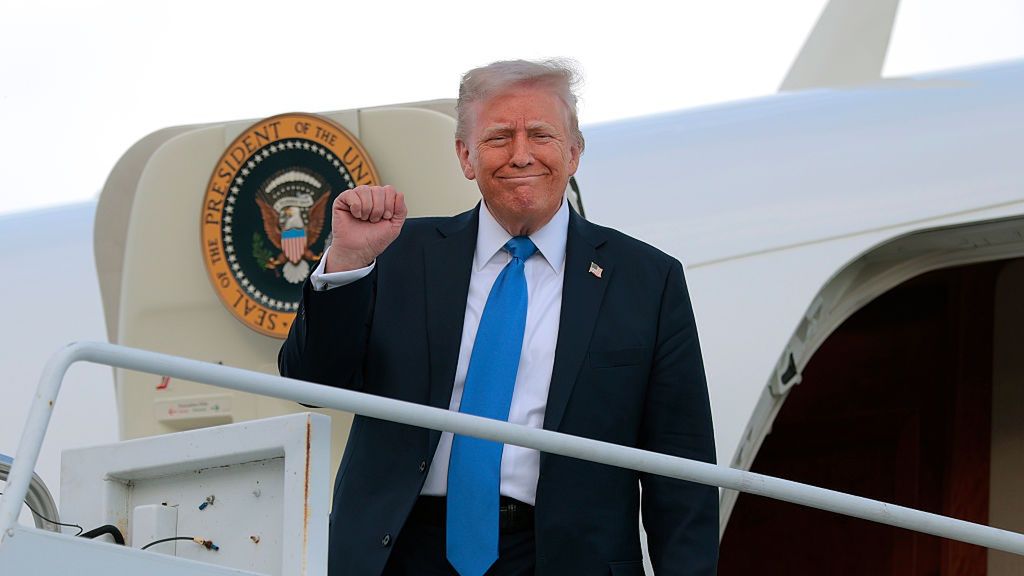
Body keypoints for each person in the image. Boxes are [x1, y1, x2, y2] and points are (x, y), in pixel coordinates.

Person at [279, 59, 718, 576]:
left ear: (574, 152)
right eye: (498, 137)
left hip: (561, 558)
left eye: (541, 134)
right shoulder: (398, 253)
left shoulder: (648, 280)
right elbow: (313, 381)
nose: (521, 154)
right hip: (400, 552)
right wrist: (348, 263)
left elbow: (681, 472)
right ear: (466, 156)